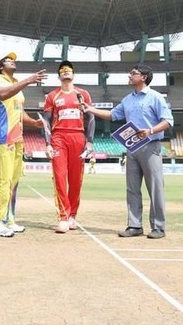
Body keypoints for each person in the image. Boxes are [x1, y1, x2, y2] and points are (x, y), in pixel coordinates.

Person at [84, 64, 174, 239]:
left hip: (150, 146)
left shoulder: (155, 97)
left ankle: (158, 227)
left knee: (155, 188)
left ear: (144, 77)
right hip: (132, 147)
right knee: (132, 188)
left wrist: (151, 131)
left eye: (134, 73)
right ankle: (134, 225)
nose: (130, 75)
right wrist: (89, 109)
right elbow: (112, 115)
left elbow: (168, 121)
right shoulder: (128, 99)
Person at [0, 51, 47, 237]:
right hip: (3, 137)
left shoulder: (17, 87)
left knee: (14, 182)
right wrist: (29, 80)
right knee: (3, 180)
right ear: (0, 67)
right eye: (7, 60)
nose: (12, 62)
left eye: (13, 60)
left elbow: (19, 111)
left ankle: (9, 220)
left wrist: (33, 122)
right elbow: (3, 95)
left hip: (18, 138)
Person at [41, 60, 95, 234]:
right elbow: (46, 121)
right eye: (62, 70)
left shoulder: (83, 94)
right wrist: (48, 143)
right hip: (59, 138)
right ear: (59, 75)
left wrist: (90, 141)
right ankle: (63, 217)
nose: (66, 71)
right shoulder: (52, 96)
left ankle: (72, 216)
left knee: (75, 180)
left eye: (68, 70)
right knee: (59, 177)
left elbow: (91, 118)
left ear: (73, 74)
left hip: (78, 137)